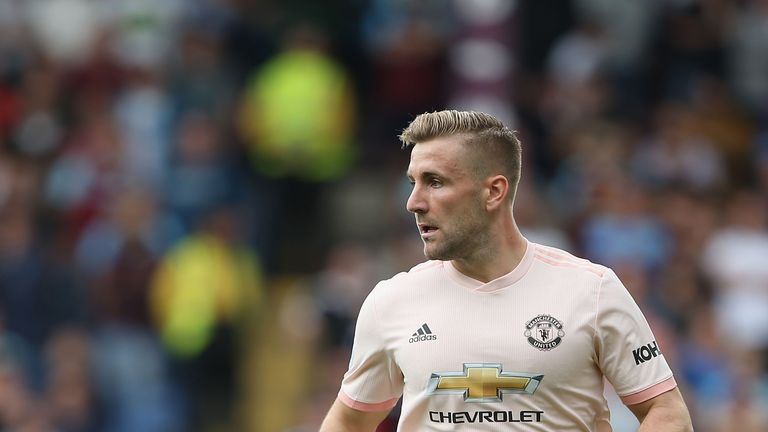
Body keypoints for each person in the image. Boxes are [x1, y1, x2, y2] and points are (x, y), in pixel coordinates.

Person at [319, 110, 693, 431]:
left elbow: (666, 410)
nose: (413, 202)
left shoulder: (591, 289)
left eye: (434, 182)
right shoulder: (392, 300)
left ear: (494, 192)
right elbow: (348, 421)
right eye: (412, 183)